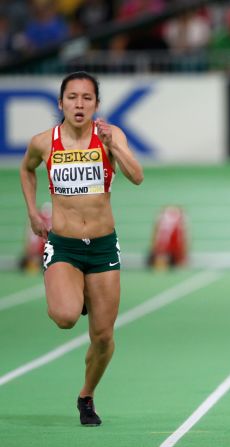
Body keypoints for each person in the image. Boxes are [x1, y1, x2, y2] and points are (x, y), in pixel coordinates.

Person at [19, 71, 144, 424]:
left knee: (103, 337)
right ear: (60, 103)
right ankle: (77, 294)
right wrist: (32, 210)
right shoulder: (45, 142)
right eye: (72, 97)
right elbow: (26, 170)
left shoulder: (110, 136)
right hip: (64, 246)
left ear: (97, 105)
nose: (79, 104)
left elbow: (137, 176)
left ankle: (86, 396)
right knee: (65, 317)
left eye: (87, 98)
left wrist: (114, 145)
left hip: (103, 247)